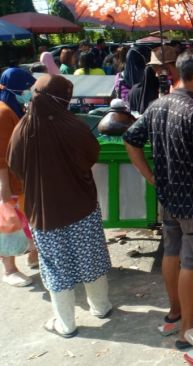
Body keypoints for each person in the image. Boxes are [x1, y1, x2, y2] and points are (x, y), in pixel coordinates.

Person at [123, 49, 193, 350]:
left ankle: (175, 310)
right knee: (191, 262)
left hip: (168, 197)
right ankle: (186, 328)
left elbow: (130, 140)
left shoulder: (157, 105)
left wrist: (151, 176)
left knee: (171, 252)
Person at [8, 74, 113, 338]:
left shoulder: (21, 129)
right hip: (81, 206)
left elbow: (15, 165)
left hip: (44, 213)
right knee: (90, 256)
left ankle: (66, 324)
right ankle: (100, 307)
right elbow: (92, 154)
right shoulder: (74, 127)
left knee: (56, 266)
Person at [0, 68, 38, 287]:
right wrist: (4, 187)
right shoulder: (3, 113)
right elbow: (1, 156)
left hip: (19, 177)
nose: (28, 92)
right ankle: (9, 269)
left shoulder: (14, 108)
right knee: (9, 225)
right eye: (26, 88)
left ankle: (32, 255)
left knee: (25, 220)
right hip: (10, 181)